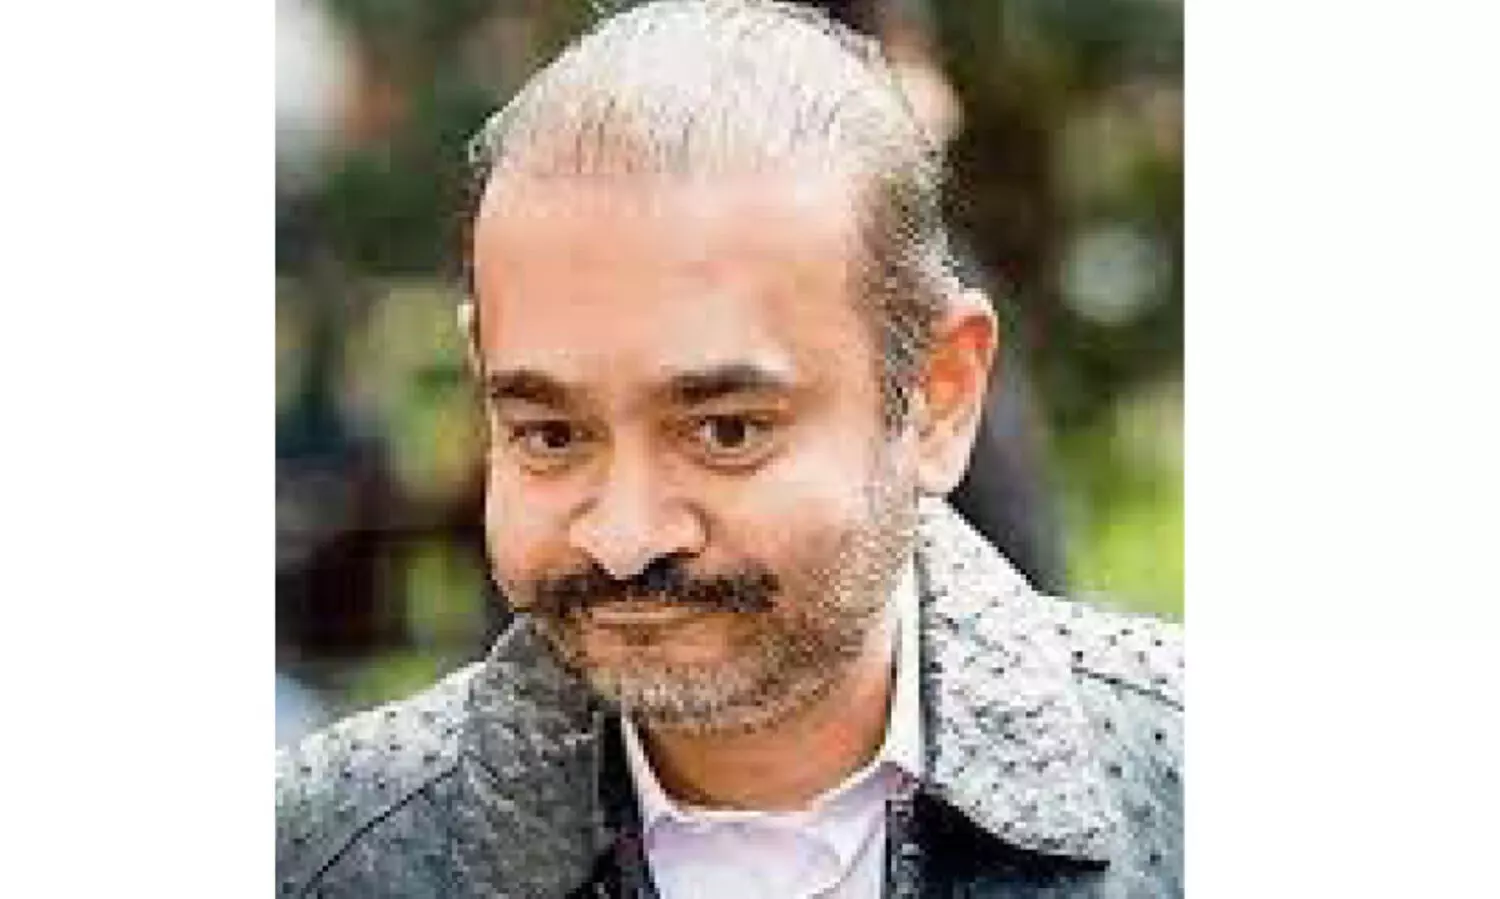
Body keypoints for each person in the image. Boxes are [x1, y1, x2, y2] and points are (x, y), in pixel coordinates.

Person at [275, 3, 1182, 897]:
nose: (624, 537)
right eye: (552, 437)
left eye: (726, 432)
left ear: (939, 398)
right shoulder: (321, 853)